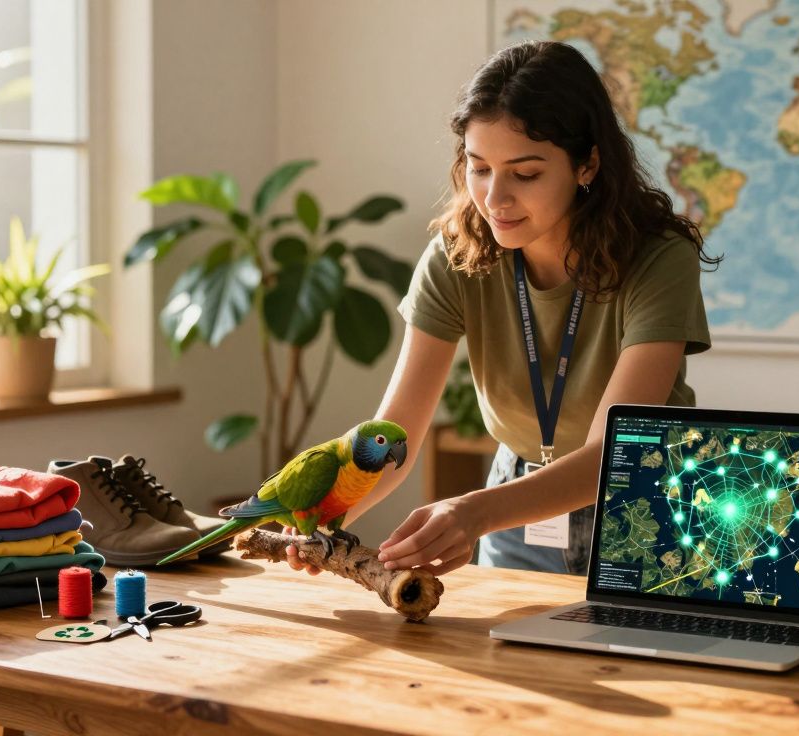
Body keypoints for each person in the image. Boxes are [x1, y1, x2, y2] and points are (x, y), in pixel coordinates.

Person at [286, 40, 718, 577]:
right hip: (516, 505)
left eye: (525, 173)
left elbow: (617, 452)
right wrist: (325, 522)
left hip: (648, 503)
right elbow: (396, 430)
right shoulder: (455, 255)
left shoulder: (658, 257)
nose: (494, 198)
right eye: (479, 168)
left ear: (587, 164)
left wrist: (473, 513)